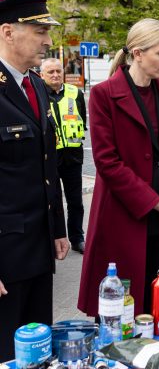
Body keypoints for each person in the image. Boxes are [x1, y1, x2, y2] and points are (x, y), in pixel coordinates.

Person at [77, 18, 159, 317]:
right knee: (123, 310)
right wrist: (153, 201)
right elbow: (106, 161)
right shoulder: (104, 94)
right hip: (125, 216)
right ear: (138, 53)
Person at [0, 0, 69, 361]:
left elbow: (48, 166)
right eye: (39, 31)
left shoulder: (37, 87)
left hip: (38, 247)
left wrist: (57, 229)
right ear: (8, 31)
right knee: (5, 357)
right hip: (5, 253)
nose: (47, 41)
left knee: (38, 352)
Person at [41, 58, 87, 254]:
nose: (55, 75)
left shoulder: (75, 93)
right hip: (48, 157)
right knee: (51, 201)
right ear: (42, 75)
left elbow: (82, 119)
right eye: (50, 72)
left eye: (58, 71)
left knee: (75, 201)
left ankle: (77, 238)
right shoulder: (38, 94)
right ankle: (52, 239)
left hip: (73, 156)